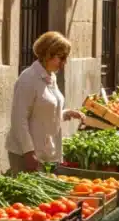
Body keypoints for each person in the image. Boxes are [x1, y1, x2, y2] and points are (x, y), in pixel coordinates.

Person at [7, 32, 85, 172]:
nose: (64, 62)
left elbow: (44, 111)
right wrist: (28, 152)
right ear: (48, 54)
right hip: (27, 155)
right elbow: (19, 119)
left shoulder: (51, 76)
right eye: (61, 57)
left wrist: (66, 113)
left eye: (66, 57)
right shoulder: (28, 78)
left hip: (47, 154)